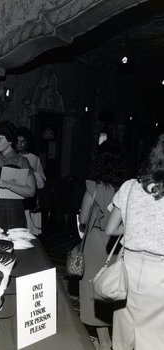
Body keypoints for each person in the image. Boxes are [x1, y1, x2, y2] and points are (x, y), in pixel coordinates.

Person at [105, 134, 164, 350]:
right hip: (160, 276)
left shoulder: (130, 186)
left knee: (123, 336)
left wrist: (136, 230)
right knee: (156, 339)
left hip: (127, 269)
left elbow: (110, 229)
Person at [78, 142, 128, 350]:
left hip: (95, 243)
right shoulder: (126, 189)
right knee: (113, 288)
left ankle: (103, 340)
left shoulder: (93, 187)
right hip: (116, 244)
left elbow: (83, 218)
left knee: (93, 289)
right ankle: (114, 338)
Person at [16, 126, 46, 235]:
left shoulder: (33, 158)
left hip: (28, 199)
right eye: (17, 141)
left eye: (22, 141)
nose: (19, 144)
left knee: (28, 231)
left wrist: (33, 175)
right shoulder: (10, 157)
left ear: (28, 143)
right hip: (15, 198)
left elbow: (41, 183)